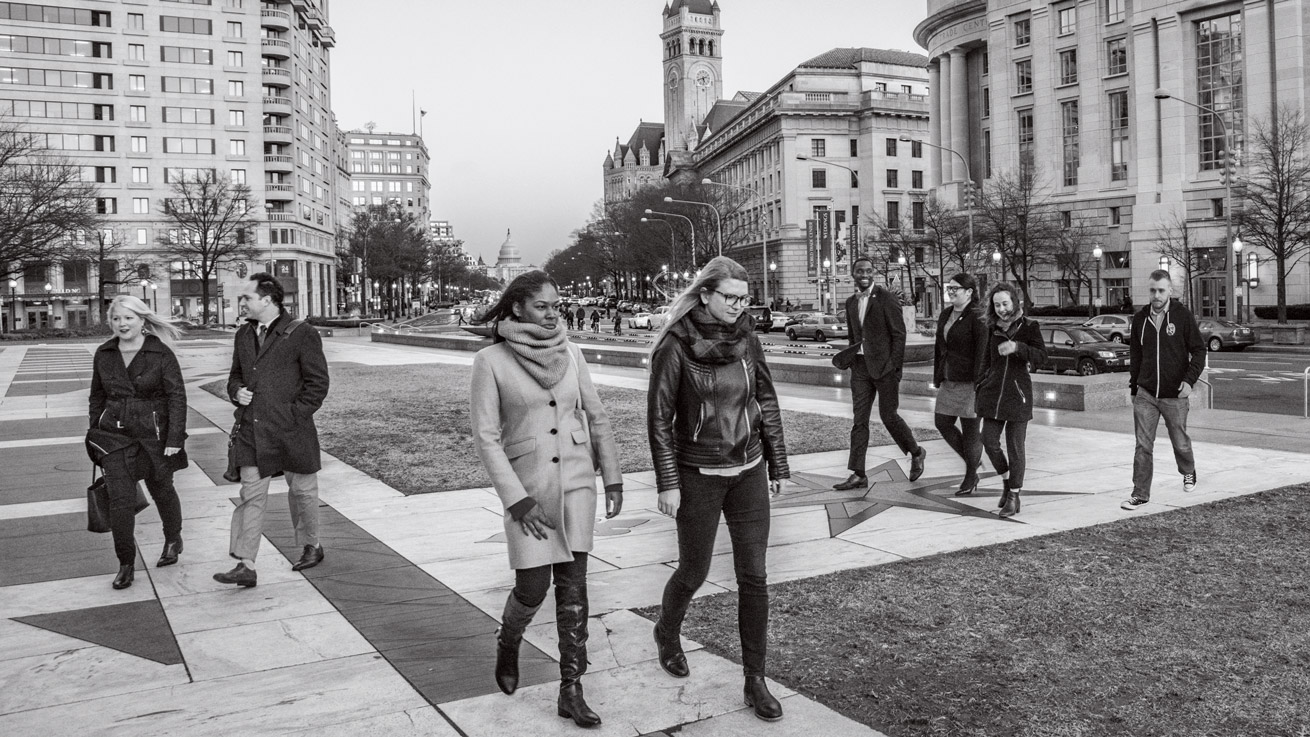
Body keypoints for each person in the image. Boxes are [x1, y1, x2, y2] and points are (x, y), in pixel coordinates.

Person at [470, 271, 623, 728]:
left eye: (557, 304)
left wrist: (612, 477)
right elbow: (486, 437)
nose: (554, 312)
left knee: (574, 590)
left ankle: (571, 688)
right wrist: (517, 500)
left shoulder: (572, 352)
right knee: (533, 587)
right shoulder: (490, 360)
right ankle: (508, 640)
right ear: (516, 308)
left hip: (577, 481)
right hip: (529, 488)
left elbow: (595, 415)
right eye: (542, 305)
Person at [648, 256, 790, 722]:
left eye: (744, 298)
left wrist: (778, 463)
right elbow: (660, 421)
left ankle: (755, 679)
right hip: (698, 474)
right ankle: (667, 633)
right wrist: (668, 482)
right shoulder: (676, 344)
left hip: (748, 469)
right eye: (729, 297)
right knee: (694, 570)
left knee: (754, 575)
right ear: (705, 294)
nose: (738, 305)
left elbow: (764, 398)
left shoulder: (748, 337)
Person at [214, 273, 330, 588]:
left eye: (247, 297)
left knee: (303, 492)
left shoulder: (302, 333)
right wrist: (236, 391)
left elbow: (318, 383)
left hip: (292, 429)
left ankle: (312, 545)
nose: (242, 303)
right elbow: (235, 376)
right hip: (253, 429)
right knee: (250, 495)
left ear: (267, 299)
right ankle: (245, 563)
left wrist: (296, 414)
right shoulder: (242, 335)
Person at [89, 295, 189, 589]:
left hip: (154, 435)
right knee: (119, 501)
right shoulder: (104, 353)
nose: (122, 324)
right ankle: (126, 563)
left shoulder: (160, 353)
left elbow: (177, 397)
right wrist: (95, 432)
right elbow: (97, 396)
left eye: (129, 318)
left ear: (143, 320)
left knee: (162, 489)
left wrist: (175, 438)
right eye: (117, 318)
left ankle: (173, 537)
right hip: (114, 438)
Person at [835, 256, 926, 491]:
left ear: (872, 273)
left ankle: (916, 452)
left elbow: (899, 335)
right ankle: (858, 473)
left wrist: (895, 368)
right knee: (859, 421)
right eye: (859, 271)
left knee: (889, 416)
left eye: (867, 270)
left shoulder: (887, 299)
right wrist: (851, 360)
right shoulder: (850, 302)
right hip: (861, 368)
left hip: (885, 369)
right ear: (853, 274)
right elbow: (855, 338)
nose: (864, 274)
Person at [1122, 269, 1206, 510]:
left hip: (1174, 394)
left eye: (1161, 290)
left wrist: (1189, 381)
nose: (1156, 295)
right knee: (1143, 445)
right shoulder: (1140, 319)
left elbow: (1199, 351)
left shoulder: (1182, 316)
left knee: (1179, 441)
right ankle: (1140, 493)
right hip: (1146, 393)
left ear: (1170, 291)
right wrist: (1134, 387)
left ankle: (1188, 470)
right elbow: (1136, 355)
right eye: (1152, 290)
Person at [975, 282, 1046, 519]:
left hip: (1018, 395)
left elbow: (1041, 357)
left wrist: (1018, 347)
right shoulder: (991, 328)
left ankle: (1014, 495)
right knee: (988, 440)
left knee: (1016, 447)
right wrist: (981, 383)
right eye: (996, 305)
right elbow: (986, 360)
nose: (1001, 309)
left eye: (1005, 303)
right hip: (993, 394)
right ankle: (1007, 481)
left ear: (1015, 302)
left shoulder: (1029, 327)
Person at [932, 274, 988, 496]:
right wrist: (937, 376)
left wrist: (979, 381)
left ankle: (970, 475)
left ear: (969, 292)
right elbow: (940, 348)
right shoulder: (946, 314)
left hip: (970, 382)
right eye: (950, 287)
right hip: (949, 379)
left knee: (971, 431)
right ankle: (973, 462)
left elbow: (982, 350)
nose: (951, 291)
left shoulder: (978, 315)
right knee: (942, 422)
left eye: (956, 288)